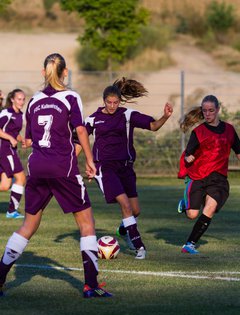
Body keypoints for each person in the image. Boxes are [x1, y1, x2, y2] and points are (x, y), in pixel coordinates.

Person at [0, 53, 112, 298]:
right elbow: (81, 130)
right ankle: (91, 285)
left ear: (43, 73)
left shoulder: (34, 101)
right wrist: (91, 161)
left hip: (37, 167)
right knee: (86, 224)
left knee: (28, 225)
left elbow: (29, 139)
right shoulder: (71, 97)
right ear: (65, 73)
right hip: (63, 168)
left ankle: (0, 277)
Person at [85, 77, 173, 260]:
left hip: (126, 167)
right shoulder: (93, 119)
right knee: (125, 205)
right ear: (104, 101)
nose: (112, 106)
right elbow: (80, 140)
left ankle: (124, 230)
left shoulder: (127, 115)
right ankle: (139, 246)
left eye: (115, 102)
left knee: (135, 211)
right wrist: (87, 163)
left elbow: (153, 126)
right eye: (109, 102)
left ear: (119, 101)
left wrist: (165, 116)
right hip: (106, 168)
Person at [178, 94, 240, 254]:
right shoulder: (198, 132)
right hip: (197, 176)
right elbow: (188, 154)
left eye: (211, 110)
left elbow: (238, 151)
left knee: (210, 208)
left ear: (218, 110)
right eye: (204, 111)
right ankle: (185, 204)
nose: (207, 114)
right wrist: (189, 157)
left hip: (218, 178)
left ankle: (189, 244)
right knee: (192, 215)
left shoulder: (229, 130)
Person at [0, 89, 26, 219]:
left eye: (23, 99)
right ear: (12, 99)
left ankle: (12, 211)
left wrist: (22, 140)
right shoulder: (6, 113)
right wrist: (10, 138)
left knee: (5, 186)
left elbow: (14, 132)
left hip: (10, 150)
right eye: (19, 99)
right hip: (4, 150)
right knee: (21, 178)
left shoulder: (19, 114)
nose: (21, 102)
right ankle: (12, 211)